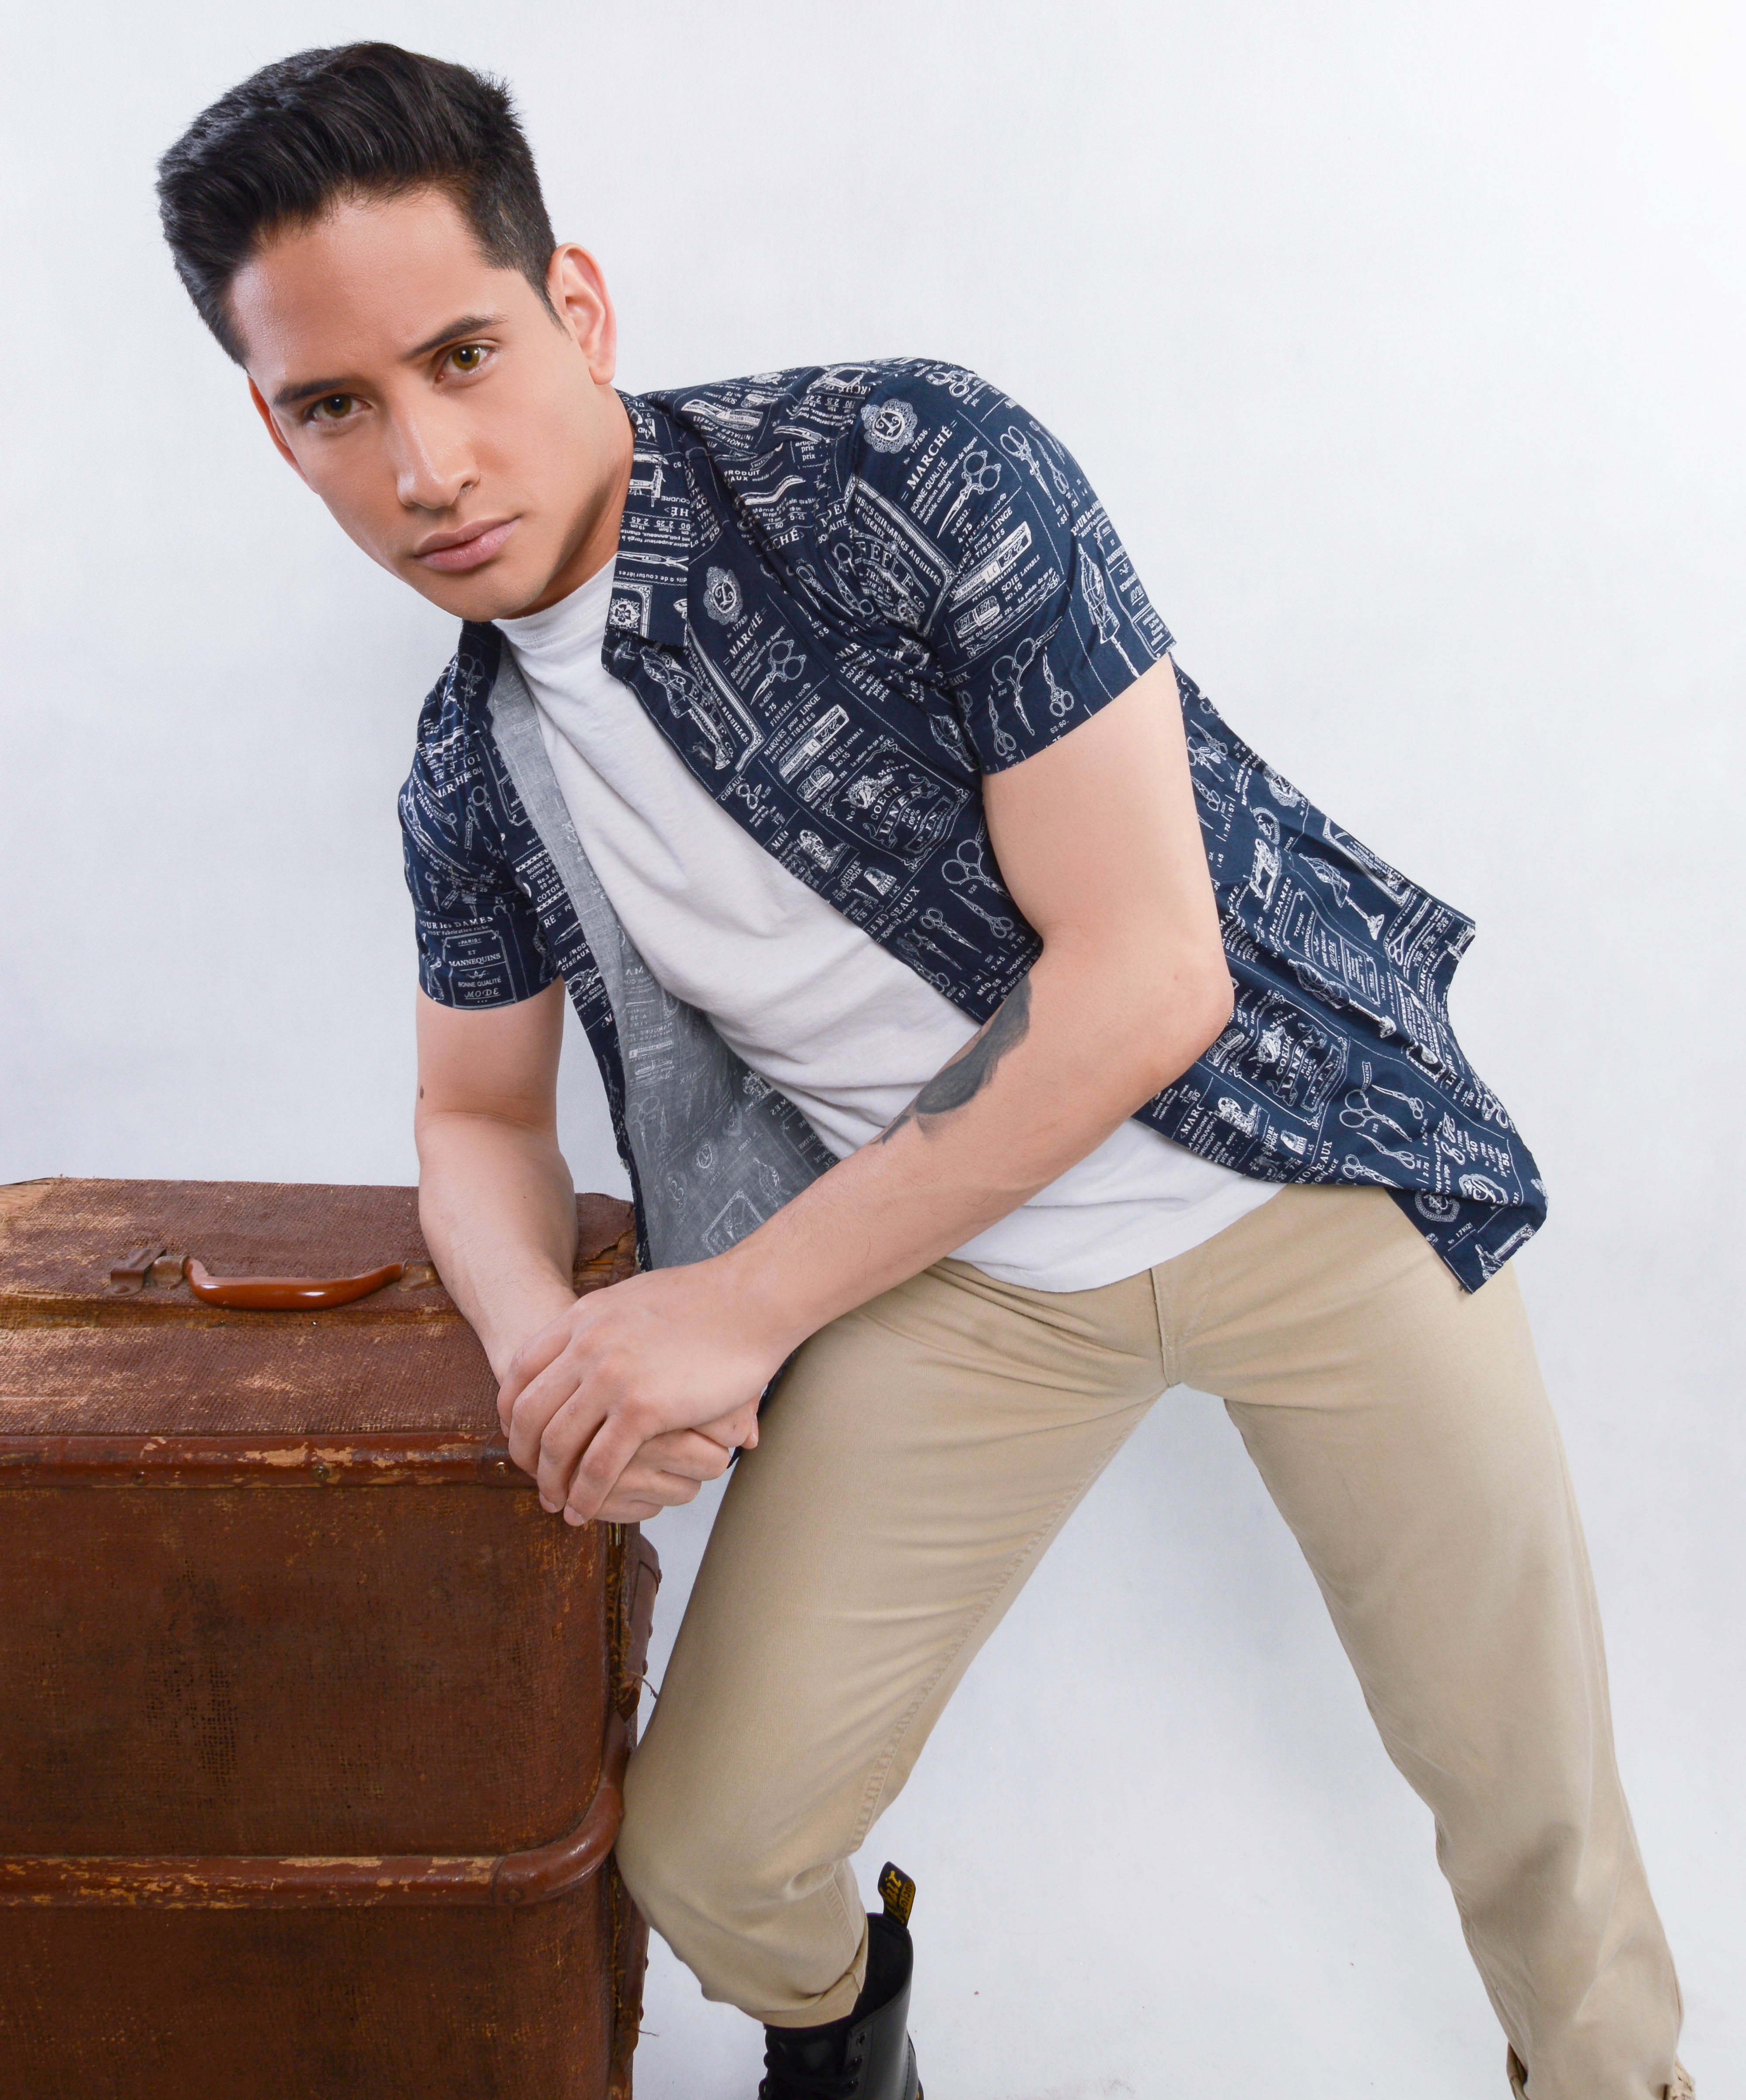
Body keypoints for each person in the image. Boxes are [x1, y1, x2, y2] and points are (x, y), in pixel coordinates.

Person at [155, 43, 1691, 2100]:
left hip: (1301, 1182)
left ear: (576, 307)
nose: (425, 464)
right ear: (275, 430)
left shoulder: (901, 465)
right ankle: (846, 2035)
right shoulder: (472, 767)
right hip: (958, 1286)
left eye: (462, 354)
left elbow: (1146, 981)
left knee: (1527, 1801)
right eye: (336, 405)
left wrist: (727, 1313)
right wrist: (555, 1366)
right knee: (708, 1856)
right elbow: (476, 1113)